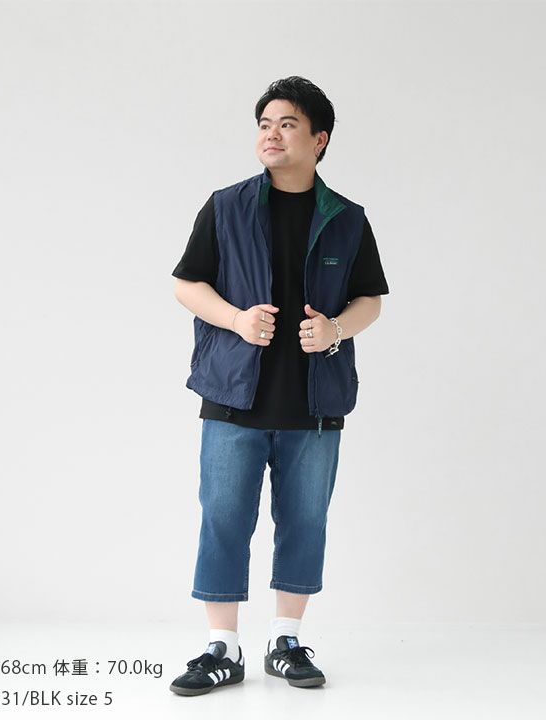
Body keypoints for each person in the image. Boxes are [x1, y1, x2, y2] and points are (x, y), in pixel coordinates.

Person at [169, 76, 389, 696]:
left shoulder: (347, 219)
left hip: (314, 402)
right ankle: (222, 647)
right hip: (233, 396)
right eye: (265, 124)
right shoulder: (226, 206)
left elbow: (370, 299)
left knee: (305, 520)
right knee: (223, 519)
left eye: (288, 123)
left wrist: (336, 330)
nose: (271, 134)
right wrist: (236, 319)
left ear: (319, 140)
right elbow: (186, 284)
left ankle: (286, 640)